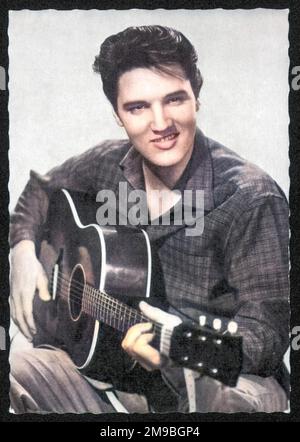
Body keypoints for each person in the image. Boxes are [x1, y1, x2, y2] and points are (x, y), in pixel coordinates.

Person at [9, 25, 289, 413]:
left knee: (229, 401)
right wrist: (21, 252)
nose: (160, 124)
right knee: (14, 366)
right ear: (118, 116)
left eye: (174, 100)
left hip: (216, 382)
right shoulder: (107, 163)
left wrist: (178, 352)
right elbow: (41, 189)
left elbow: (268, 337)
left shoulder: (250, 196)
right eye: (137, 107)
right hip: (115, 379)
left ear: (197, 100)